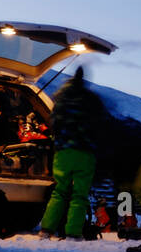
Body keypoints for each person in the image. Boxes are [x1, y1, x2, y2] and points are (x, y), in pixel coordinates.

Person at [39, 66, 104, 240]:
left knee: (59, 192)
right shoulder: (91, 100)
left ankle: (46, 230)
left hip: (63, 153)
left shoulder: (61, 100)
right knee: (80, 195)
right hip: (85, 153)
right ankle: (73, 233)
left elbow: (53, 123)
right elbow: (101, 125)